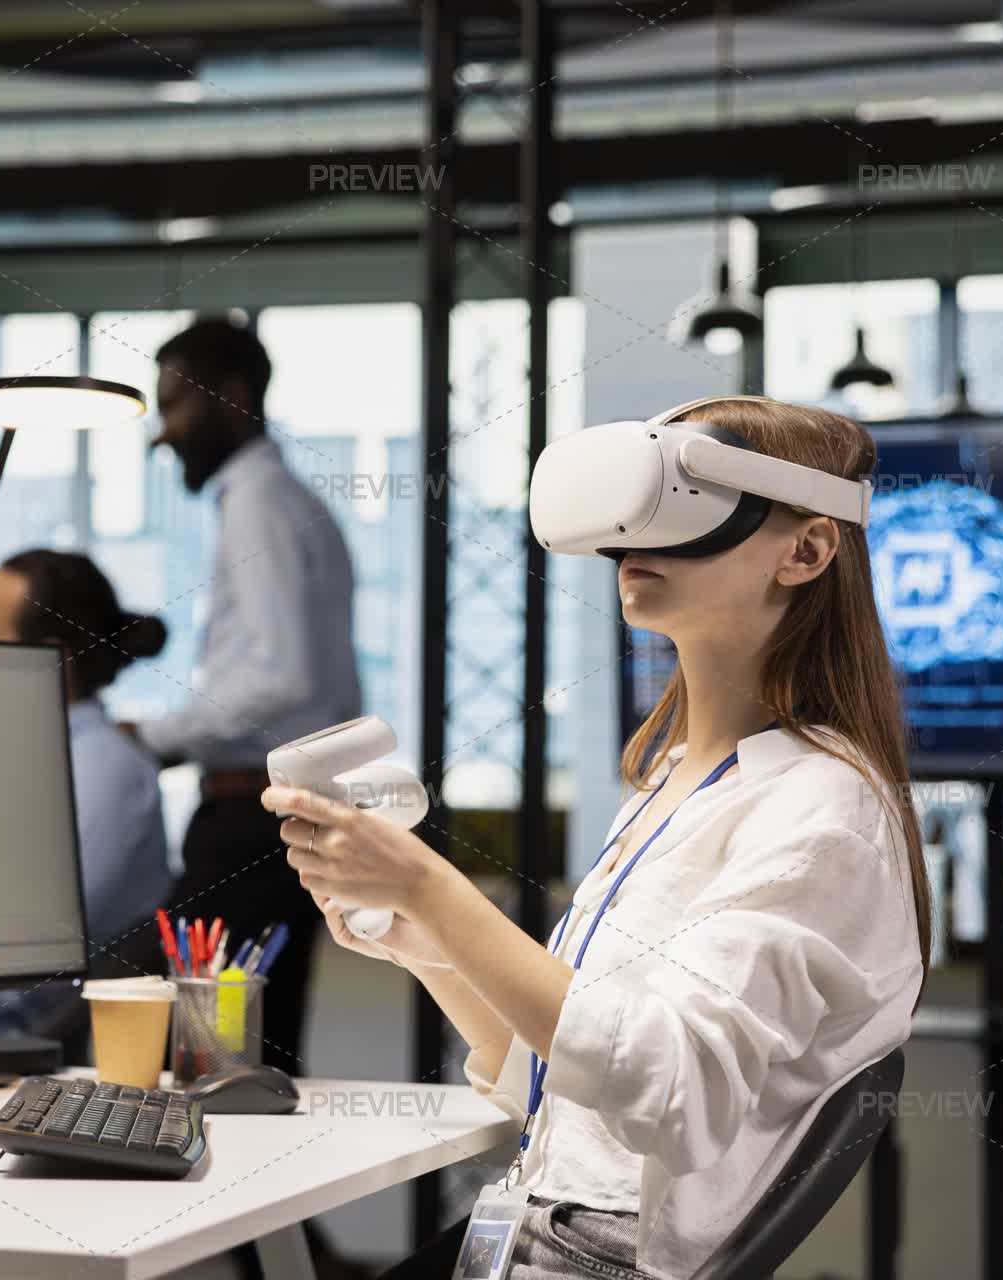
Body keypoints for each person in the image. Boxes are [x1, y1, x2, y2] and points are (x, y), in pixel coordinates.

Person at [264, 397, 927, 1279]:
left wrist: (433, 889)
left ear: (806, 551)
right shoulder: (672, 779)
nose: (634, 544)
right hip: (538, 1209)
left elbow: (664, 1089)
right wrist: (427, 947)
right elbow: (553, 1073)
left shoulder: (823, 812)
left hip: (594, 1256)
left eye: (688, 507)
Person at [129, 316, 361, 1076]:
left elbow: (280, 673)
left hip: (249, 821)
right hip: (275, 824)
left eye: (174, 406)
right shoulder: (286, 500)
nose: (163, 434)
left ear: (229, 396)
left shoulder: (258, 501)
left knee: (212, 1066)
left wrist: (156, 737)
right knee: (254, 1063)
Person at [0, 548, 173, 1034]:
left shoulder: (106, 771)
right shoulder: (14, 752)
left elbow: (34, 949)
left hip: (12, 1031)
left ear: (52, 658)